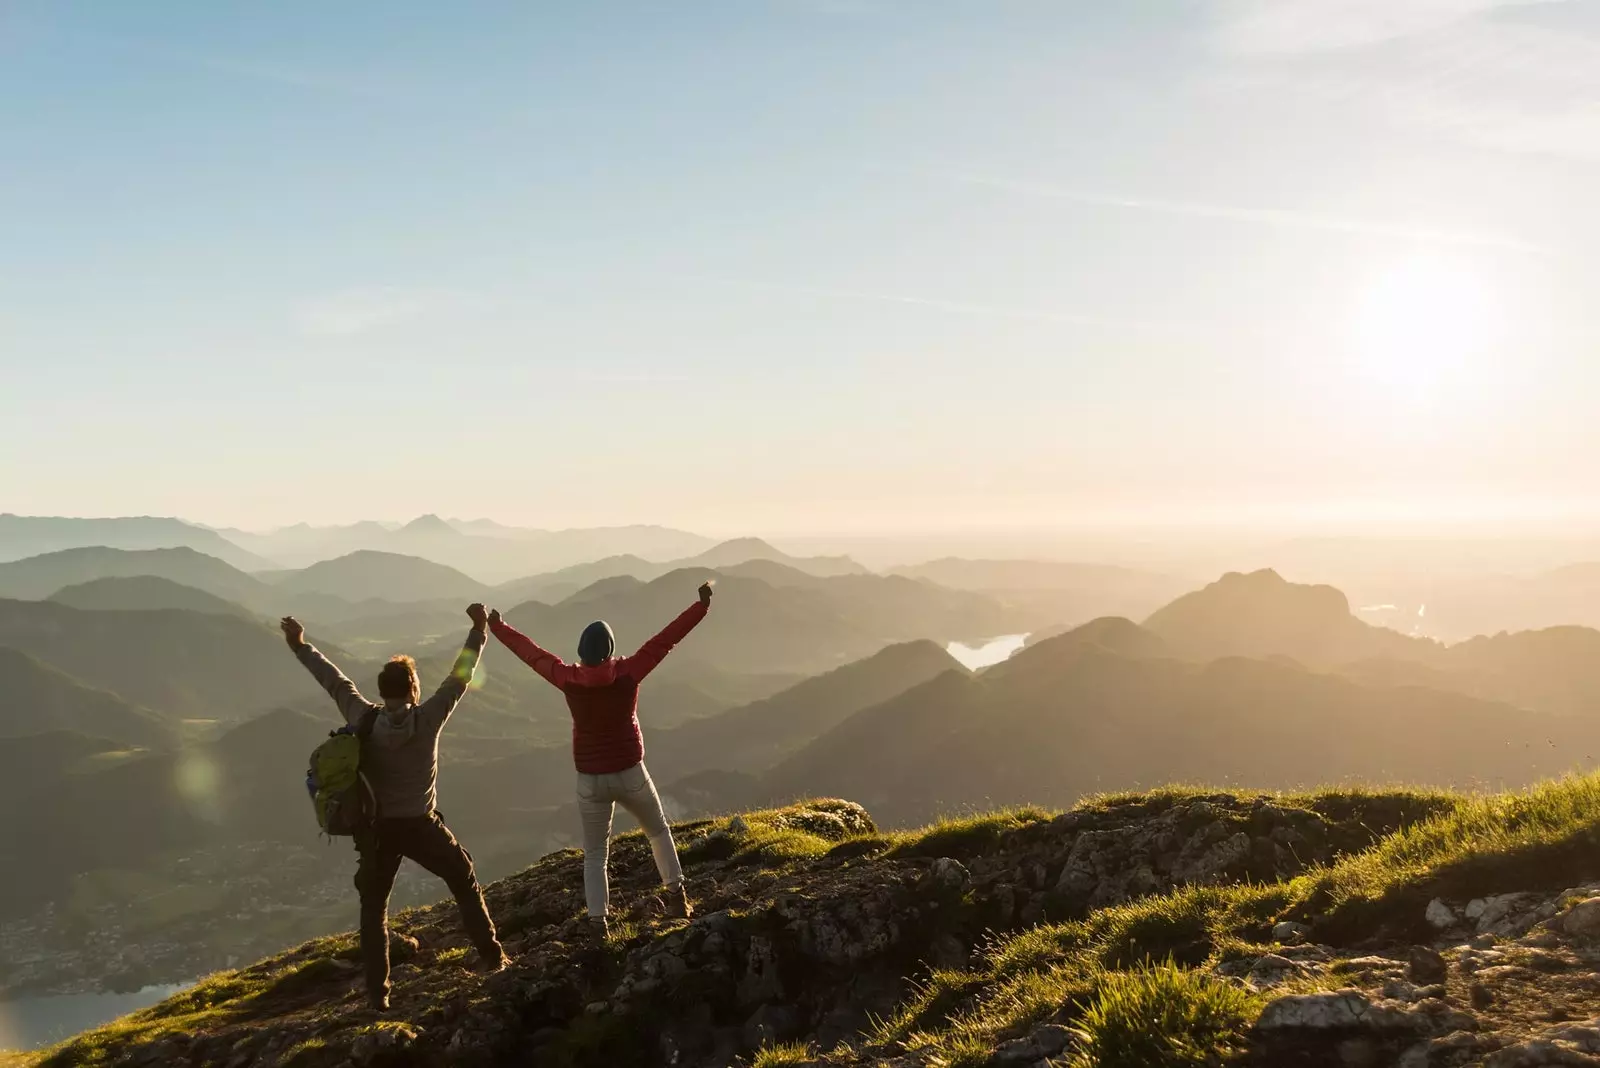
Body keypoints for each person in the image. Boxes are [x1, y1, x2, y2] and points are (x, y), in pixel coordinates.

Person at [280, 603, 508, 1011]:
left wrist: (300, 645)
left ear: (383, 691)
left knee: (374, 910)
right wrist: (479, 630)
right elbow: (461, 675)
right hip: (421, 826)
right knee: (463, 879)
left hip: (377, 830)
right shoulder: (429, 718)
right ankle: (493, 957)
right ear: (412, 689)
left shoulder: (362, 717)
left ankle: (378, 995)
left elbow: (333, 680)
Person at [488, 581, 713, 936]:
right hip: (631, 772)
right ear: (609, 650)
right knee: (657, 831)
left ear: (581, 651)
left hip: (590, 780)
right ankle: (677, 898)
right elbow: (666, 639)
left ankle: (598, 923)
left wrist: (497, 626)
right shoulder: (629, 672)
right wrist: (700, 607)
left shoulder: (568, 678)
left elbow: (530, 653)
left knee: (595, 854)